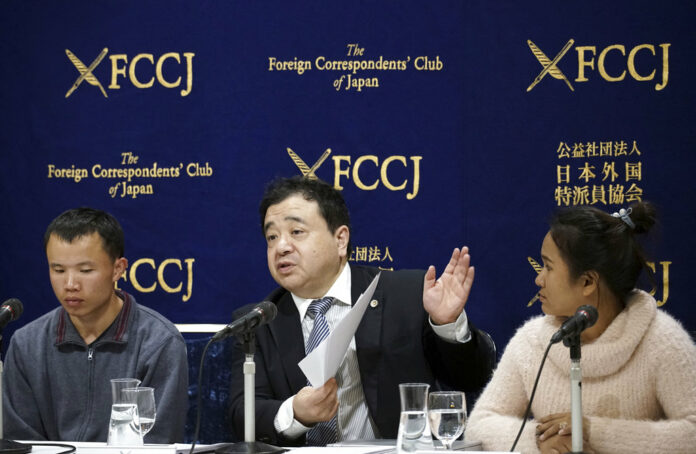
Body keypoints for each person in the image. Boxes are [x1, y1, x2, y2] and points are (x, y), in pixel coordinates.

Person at [228, 176, 496, 447]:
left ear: (340, 239)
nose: (281, 247)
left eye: (296, 232)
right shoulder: (257, 322)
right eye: (272, 237)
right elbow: (241, 415)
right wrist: (296, 413)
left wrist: (447, 324)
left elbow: (472, 378)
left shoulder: (405, 295)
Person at [467, 202, 696, 454]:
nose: (538, 278)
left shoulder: (662, 340)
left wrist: (590, 431)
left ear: (587, 281)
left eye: (548, 267)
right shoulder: (532, 341)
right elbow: (479, 424)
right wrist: (540, 440)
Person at [3, 207, 189, 443]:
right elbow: (21, 442)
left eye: (85, 270)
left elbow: (159, 441)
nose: (70, 284)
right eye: (58, 270)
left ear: (118, 269)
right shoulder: (27, 344)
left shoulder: (159, 342)